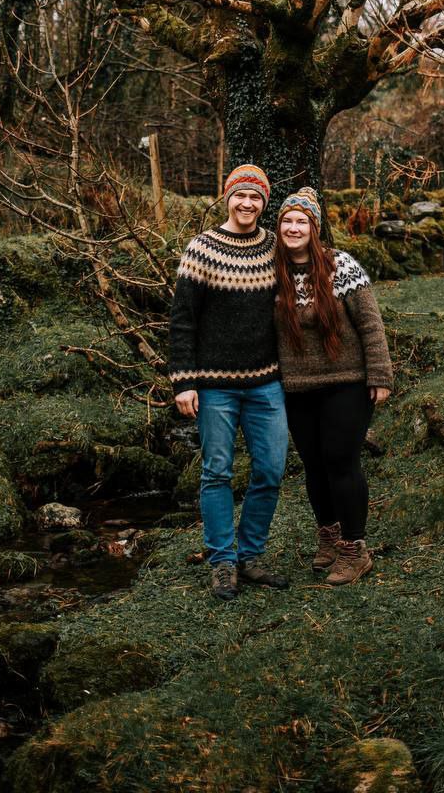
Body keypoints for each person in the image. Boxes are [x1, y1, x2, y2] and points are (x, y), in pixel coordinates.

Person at [169, 164, 289, 601]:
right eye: (241, 195)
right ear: (227, 198)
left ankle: (250, 556)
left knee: (271, 470)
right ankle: (222, 561)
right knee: (217, 472)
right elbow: (183, 320)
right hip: (214, 385)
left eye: (256, 197)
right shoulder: (201, 248)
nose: (247, 203)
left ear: (264, 203)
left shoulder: (274, 247)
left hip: (266, 383)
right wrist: (183, 381)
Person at [275, 187, 394, 585]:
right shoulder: (271, 273)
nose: (294, 228)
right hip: (296, 387)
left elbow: (370, 323)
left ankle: (354, 549)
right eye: (287, 221)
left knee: (340, 460)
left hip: (347, 381)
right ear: (278, 228)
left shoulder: (340, 265)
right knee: (313, 464)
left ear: (314, 228)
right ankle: (328, 535)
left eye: (302, 222)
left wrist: (380, 374)